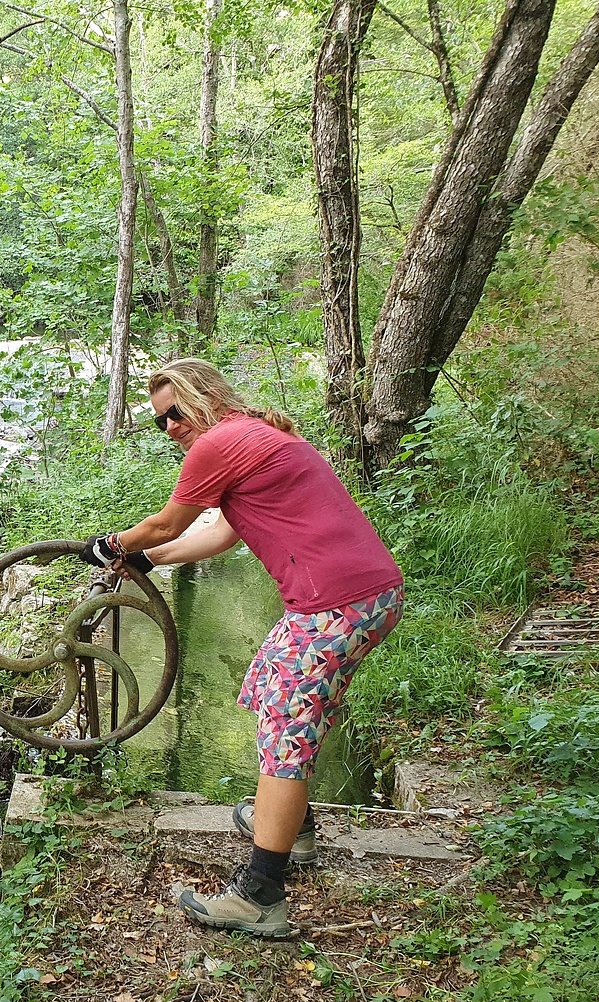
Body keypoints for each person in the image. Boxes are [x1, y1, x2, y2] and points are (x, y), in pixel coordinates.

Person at [80, 359, 403, 938]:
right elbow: (223, 532)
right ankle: (293, 828)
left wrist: (109, 547)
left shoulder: (220, 443)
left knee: (286, 726)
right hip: (365, 594)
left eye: (176, 412)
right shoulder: (259, 433)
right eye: (161, 422)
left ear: (204, 397)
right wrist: (146, 561)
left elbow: (165, 523)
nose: (172, 427)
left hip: (333, 601)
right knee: (270, 687)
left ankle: (259, 894)